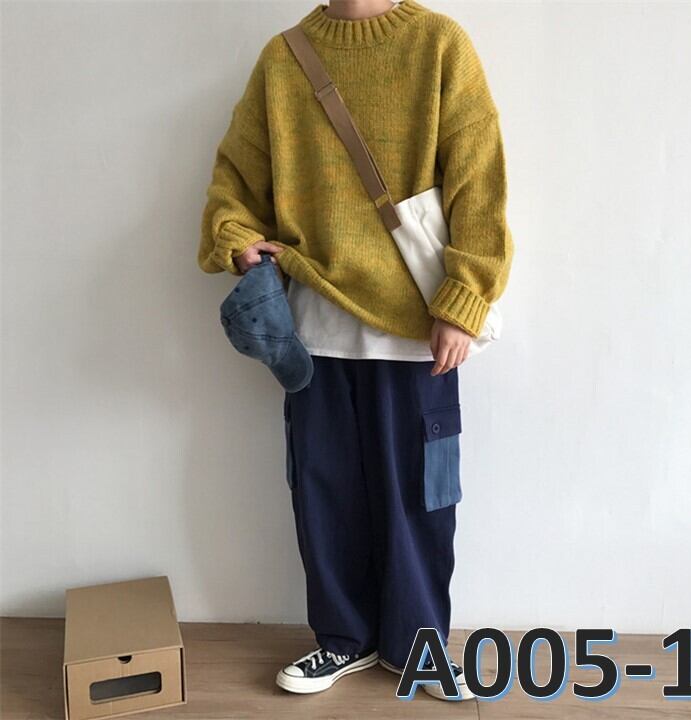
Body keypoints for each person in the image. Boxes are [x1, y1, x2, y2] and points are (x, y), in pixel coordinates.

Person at [198, 0, 513, 701]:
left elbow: (479, 185)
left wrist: (465, 300)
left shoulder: (439, 45)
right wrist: (235, 238)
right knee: (324, 491)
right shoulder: (284, 58)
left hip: (420, 331)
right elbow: (235, 180)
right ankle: (343, 639)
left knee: (421, 500)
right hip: (313, 332)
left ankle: (420, 647)